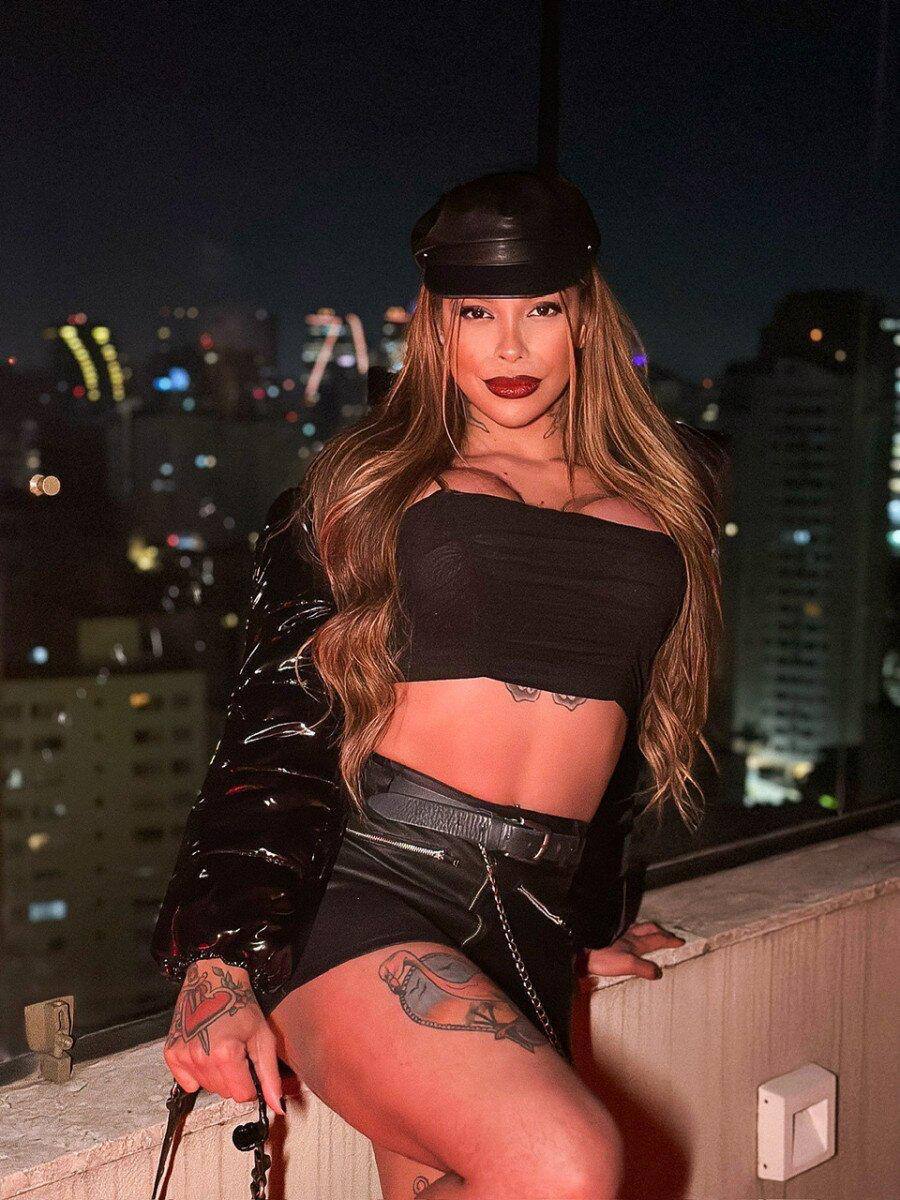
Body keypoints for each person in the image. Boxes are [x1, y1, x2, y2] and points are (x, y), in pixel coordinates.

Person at [151, 169, 724, 1200]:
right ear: (435, 327)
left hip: (533, 910)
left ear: (585, 319)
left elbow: (624, 739)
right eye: (476, 315)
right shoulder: (372, 486)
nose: (509, 349)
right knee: (562, 1162)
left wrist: (590, 918)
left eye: (540, 311)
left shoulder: (664, 492)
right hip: (371, 883)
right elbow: (276, 721)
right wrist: (219, 962)